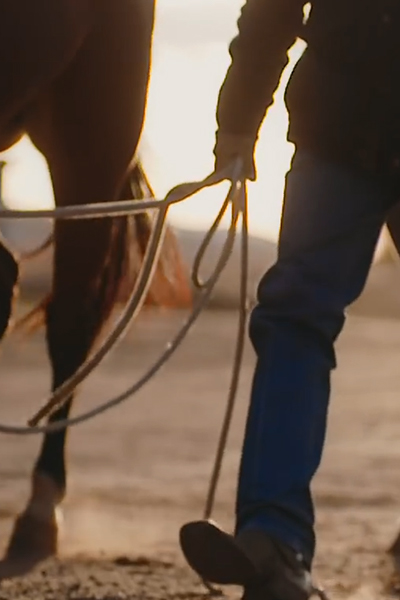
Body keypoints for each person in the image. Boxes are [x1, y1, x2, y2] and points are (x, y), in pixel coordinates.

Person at [179, 1, 400, 598]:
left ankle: (273, 537)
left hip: (341, 111)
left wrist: (240, 118)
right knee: (295, 318)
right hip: (340, 119)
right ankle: (272, 540)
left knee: (296, 320)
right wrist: (238, 117)